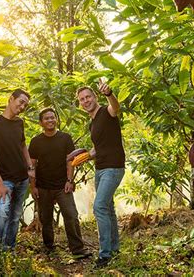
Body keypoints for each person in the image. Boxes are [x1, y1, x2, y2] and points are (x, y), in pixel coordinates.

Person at [28, 107, 92, 259]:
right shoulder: (36, 141)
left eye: (52, 117)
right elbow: (32, 166)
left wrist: (70, 180)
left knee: (71, 215)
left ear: (56, 119)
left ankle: (77, 249)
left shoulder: (65, 138)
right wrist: (33, 186)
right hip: (43, 187)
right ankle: (49, 246)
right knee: (46, 219)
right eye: (46, 118)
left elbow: (70, 161)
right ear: (41, 123)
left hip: (62, 185)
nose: (50, 120)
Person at [76, 80, 125, 268]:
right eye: (82, 99)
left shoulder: (106, 111)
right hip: (100, 167)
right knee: (108, 208)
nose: (86, 100)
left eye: (88, 97)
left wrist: (110, 93)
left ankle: (104, 255)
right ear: (80, 104)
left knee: (99, 207)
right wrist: (84, 156)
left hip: (113, 167)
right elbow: (97, 148)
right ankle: (114, 249)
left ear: (95, 97)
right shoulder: (92, 123)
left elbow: (116, 108)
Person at [0, 88, 33, 250]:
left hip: (22, 178)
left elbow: (23, 145)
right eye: (21, 102)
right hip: (4, 179)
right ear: (11, 99)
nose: (23, 106)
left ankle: (8, 248)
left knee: (15, 216)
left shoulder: (19, 123)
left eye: (26, 104)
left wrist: (30, 167)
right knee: (2, 213)